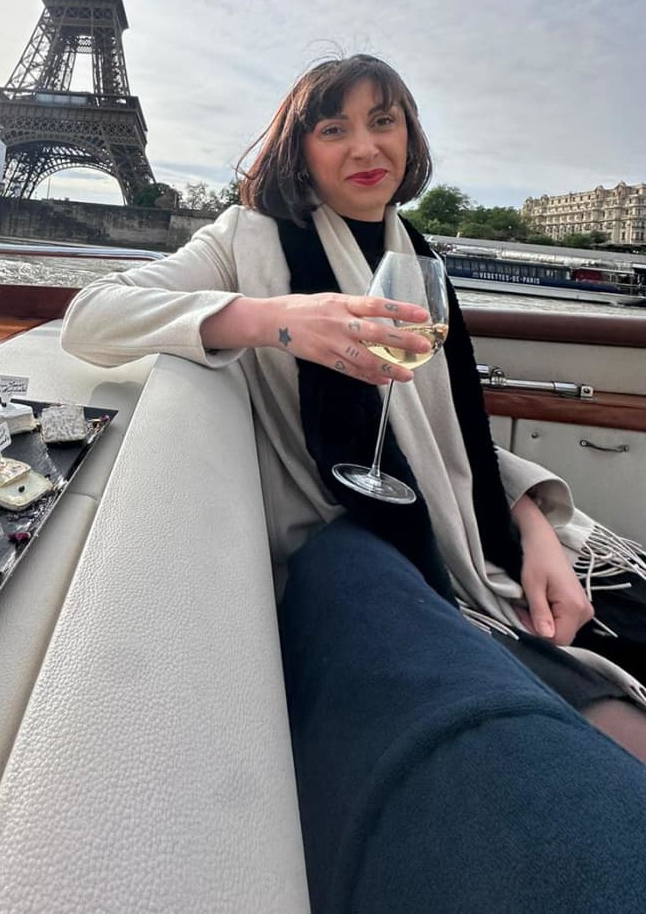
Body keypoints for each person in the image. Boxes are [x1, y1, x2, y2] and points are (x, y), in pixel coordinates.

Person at [60, 54, 646, 909]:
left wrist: (533, 528)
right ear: (300, 149)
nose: (365, 146)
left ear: (411, 135)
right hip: (353, 555)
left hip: (459, 547)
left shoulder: (416, 253)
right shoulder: (244, 241)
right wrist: (281, 318)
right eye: (333, 127)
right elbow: (91, 316)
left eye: (386, 120)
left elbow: (449, 443)